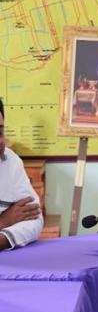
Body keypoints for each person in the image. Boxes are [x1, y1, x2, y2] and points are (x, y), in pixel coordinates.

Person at [0, 99, 43, 250]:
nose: (1, 141)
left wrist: (4, 237)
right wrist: (3, 222)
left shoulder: (10, 160)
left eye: (0, 132)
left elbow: (35, 218)